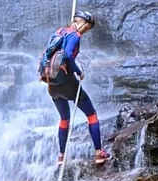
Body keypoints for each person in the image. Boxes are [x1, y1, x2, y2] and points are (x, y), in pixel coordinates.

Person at [38, 10, 110, 166]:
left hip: (52, 83)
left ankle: (61, 157)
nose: (86, 31)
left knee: (64, 119)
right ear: (80, 22)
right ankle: (99, 153)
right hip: (68, 83)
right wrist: (78, 72)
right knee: (91, 115)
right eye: (87, 27)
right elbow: (69, 55)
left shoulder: (58, 32)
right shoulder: (75, 36)